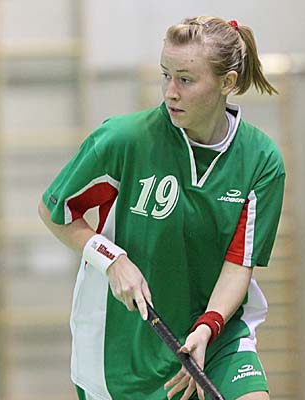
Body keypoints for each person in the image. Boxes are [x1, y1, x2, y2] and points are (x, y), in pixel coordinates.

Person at [38, 16, 285, 400]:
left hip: (215, 333)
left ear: (227, 82)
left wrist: (207, 328)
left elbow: (239, 264)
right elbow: (54, 211)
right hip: (121, 352)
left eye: (185, 79)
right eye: (165, 75)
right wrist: (112, 259)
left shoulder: (261, 159)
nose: (171, 92)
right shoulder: (123, 140)